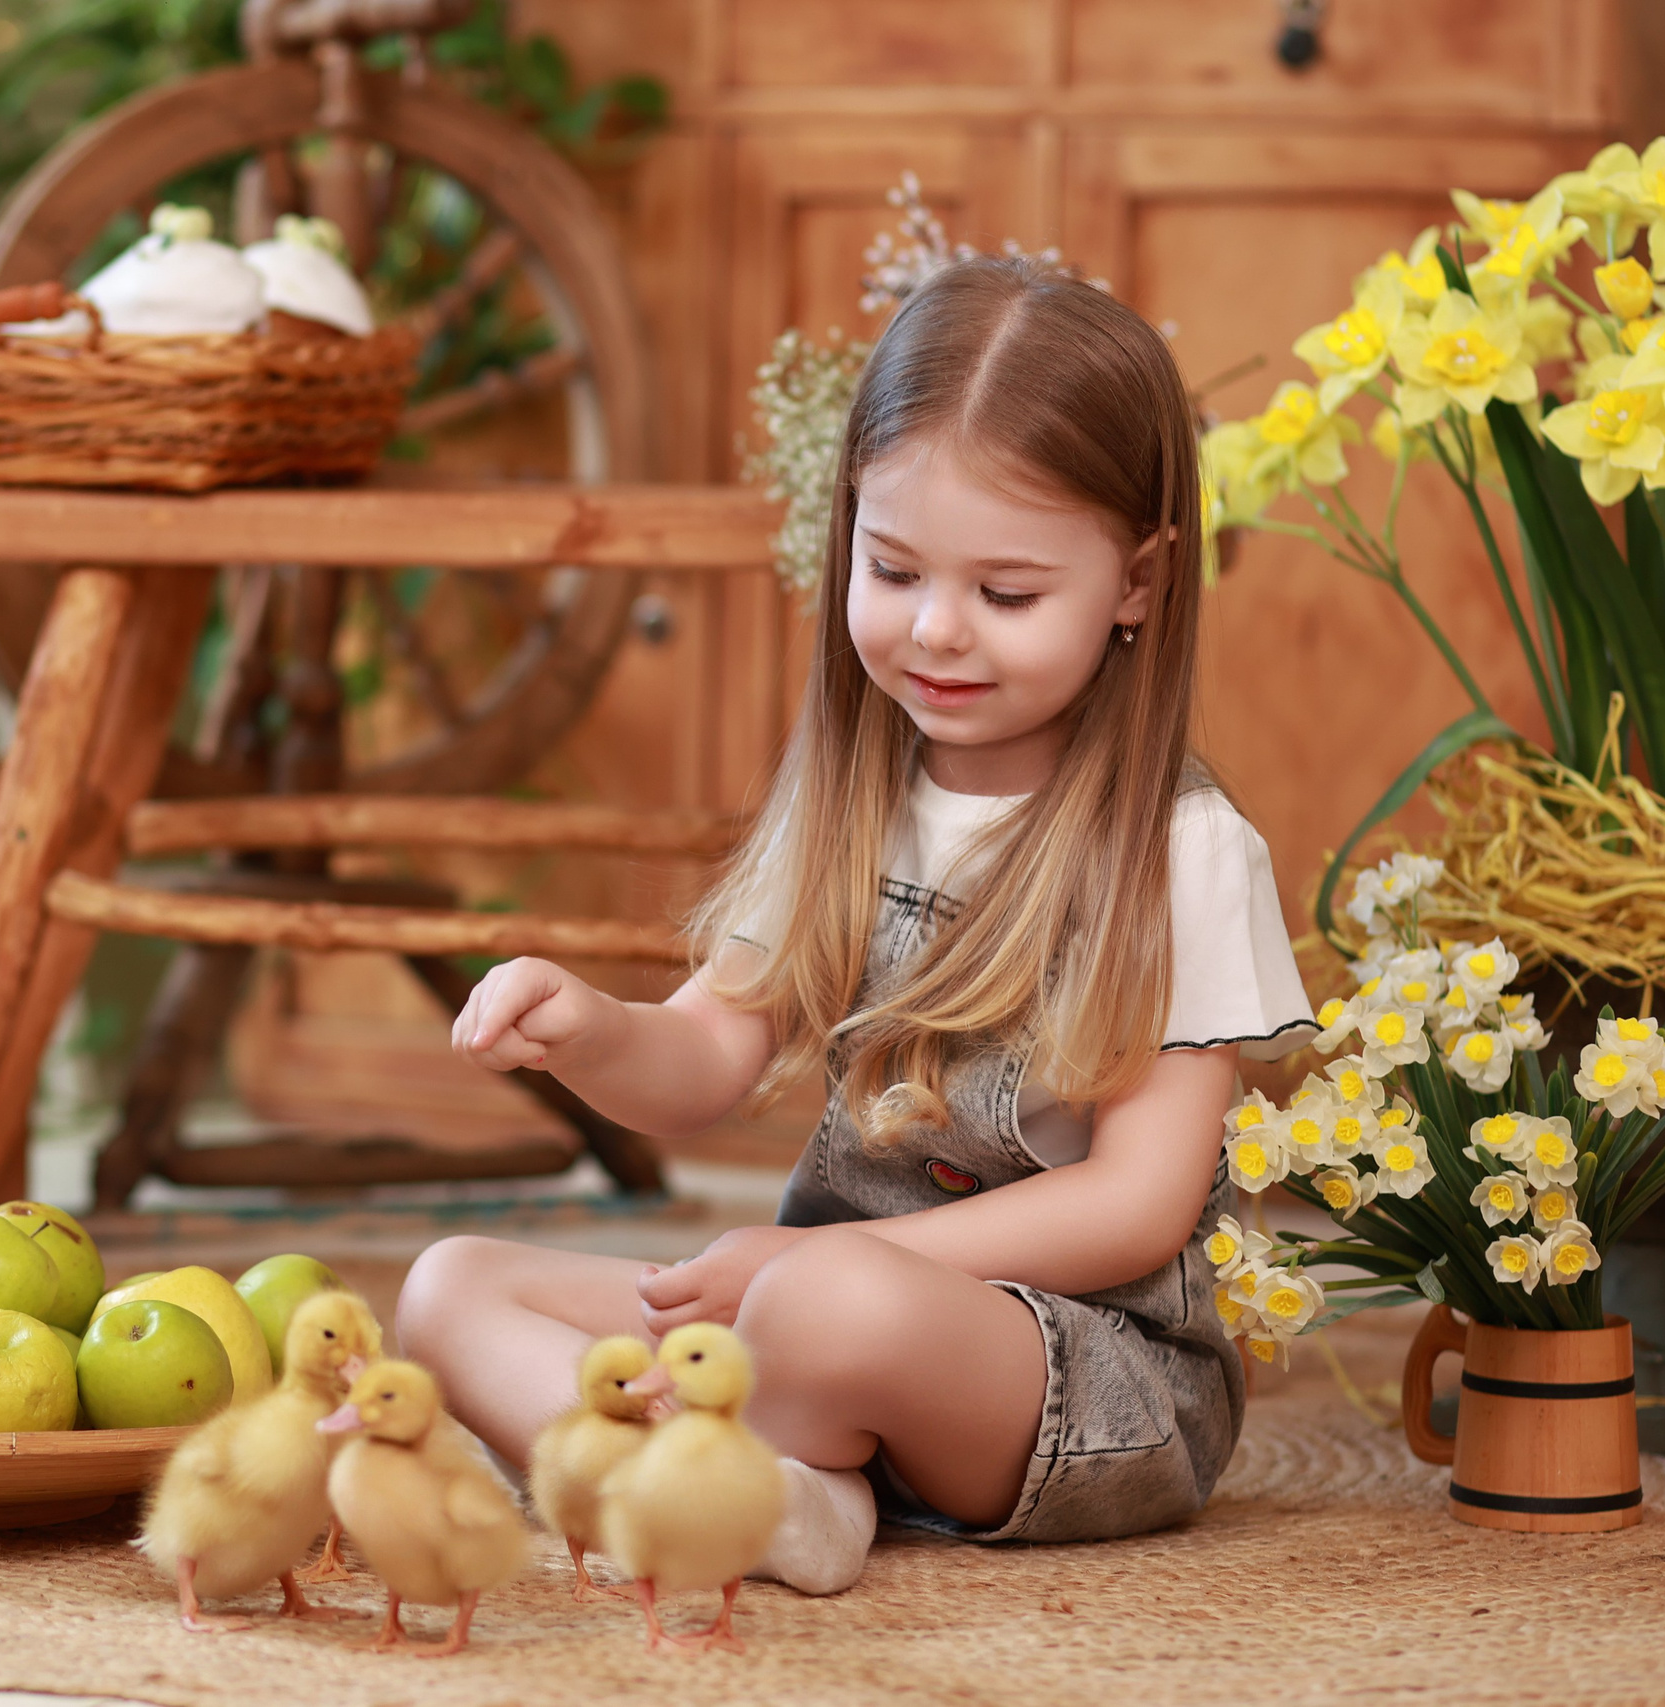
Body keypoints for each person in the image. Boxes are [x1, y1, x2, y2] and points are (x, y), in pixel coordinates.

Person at [395, 254, 1316, 1594]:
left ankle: (702, 1470)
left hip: (1072, 1375)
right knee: (449, 1289)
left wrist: (816, 1268)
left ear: (1138, 579)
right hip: (802, 1318)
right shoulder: (853, 792)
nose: (939, 633)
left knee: (818, 1300)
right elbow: (706, 1057)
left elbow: (1137, 1208)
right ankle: (772, 1495)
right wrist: (589, 1029)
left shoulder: (1183, 849)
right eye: (892, 570)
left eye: (1007, 596)